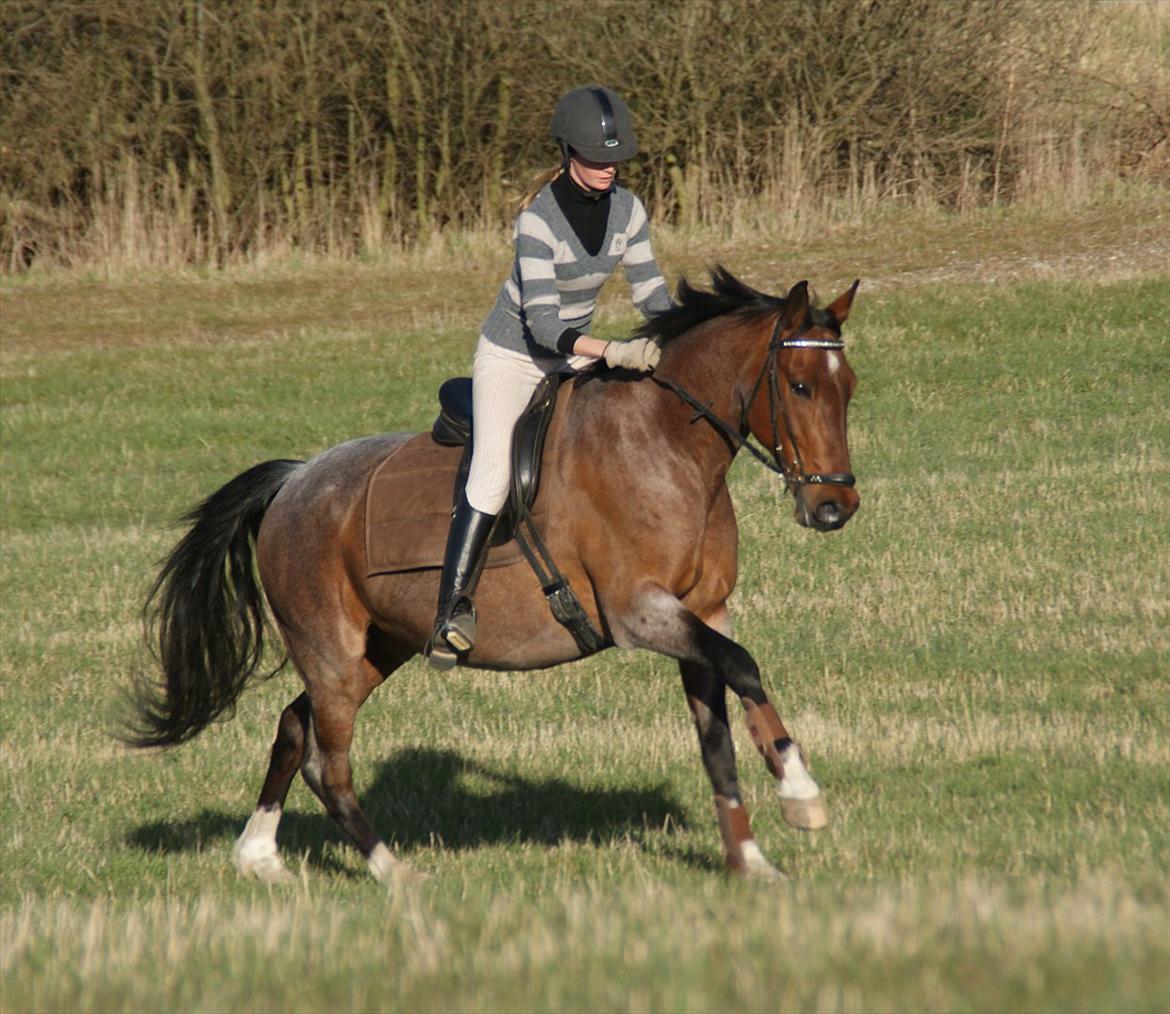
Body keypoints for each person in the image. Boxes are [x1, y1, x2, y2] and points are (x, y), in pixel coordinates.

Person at [426, 84, 673, 670]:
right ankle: (450, 612)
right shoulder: (537, 222)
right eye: (594, 157)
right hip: (516, 355)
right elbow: (541, 325)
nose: (608, 168)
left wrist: (682, 336)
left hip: (573, 353)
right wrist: (613, 350)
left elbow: (652, 293)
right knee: (490, 476)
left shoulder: (629, 210)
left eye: (615, 158)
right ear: (567, 154)